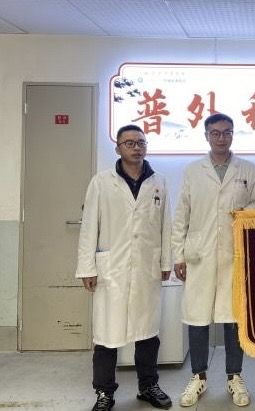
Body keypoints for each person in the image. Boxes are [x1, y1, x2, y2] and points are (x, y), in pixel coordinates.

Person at [76, 124, 173, 411]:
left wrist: (165, 261)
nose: (136, 147)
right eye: (129, 143)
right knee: (107, 335)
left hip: (146, 268)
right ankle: (104, 392)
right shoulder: (101, 182)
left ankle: (148, 386)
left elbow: (165, 225)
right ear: (118, 148)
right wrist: (87, 267)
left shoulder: (159, 182)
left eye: (141, 142)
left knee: (147, 332)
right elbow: (89, 226)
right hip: (112, 269)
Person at [172, 113, 255, 408]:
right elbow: (181, 215)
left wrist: (245, 213)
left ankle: (235, 376)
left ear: (233, 134)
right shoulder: (192, 171)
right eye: (215, 133)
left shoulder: (248, 169)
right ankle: (198, 376)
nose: (221, 138)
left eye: (227, 132)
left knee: (233, 317)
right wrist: (178, 255)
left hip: (235, 254)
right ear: (207, 136)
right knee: (197, 317)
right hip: (199, 254)